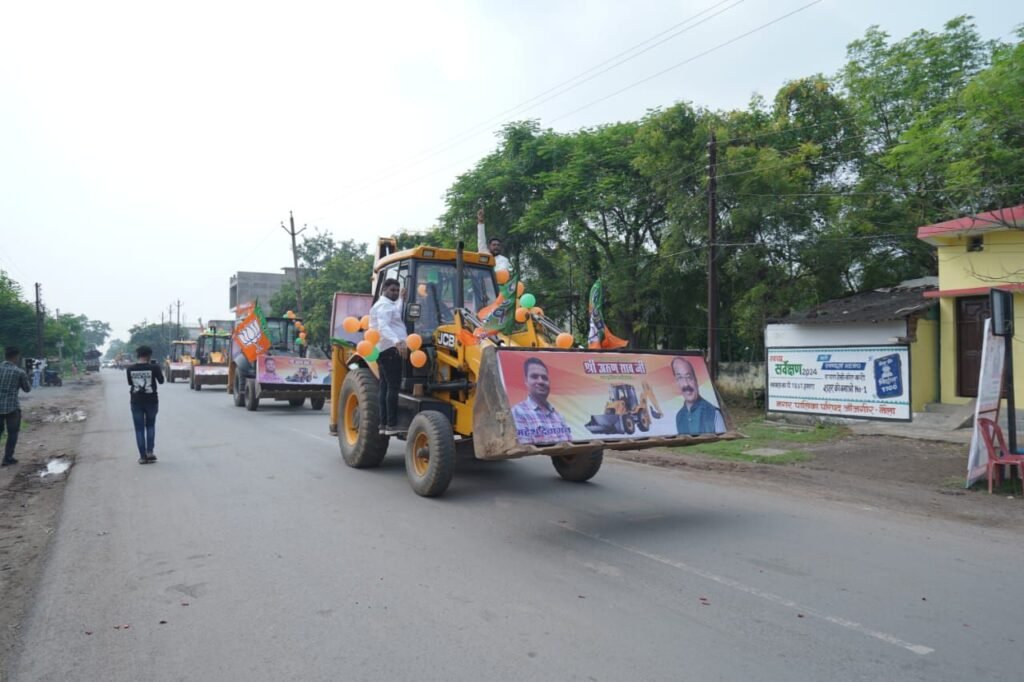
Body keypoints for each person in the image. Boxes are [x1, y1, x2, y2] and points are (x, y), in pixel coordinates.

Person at [369, 278, 407, 434]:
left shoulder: (386, 304)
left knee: (384, 387)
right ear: (384, 289)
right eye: (392, 290)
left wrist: (402, 300)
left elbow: (394, 316)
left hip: (383, 350)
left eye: (397, 290)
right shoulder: (384, 305)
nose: (395, 293)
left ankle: (383, 424)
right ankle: (391, 424)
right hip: (390, 350)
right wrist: (397, 341)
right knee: (392, 387)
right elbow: (383, 326)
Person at [511, 357, 572, 444]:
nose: (541, 381)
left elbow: (569, 444)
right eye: (534, 376)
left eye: (544, 378)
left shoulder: (558, 416)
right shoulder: (518, 412)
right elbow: (525, 447)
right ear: (526, 381)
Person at [126, 345, 165, 464]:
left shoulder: (130, 369)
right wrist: (156, 367)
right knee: (150, 426)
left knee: (139, 429)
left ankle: (142, 457)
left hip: (136, 401)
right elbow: (161, 381)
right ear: (149, 356)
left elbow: (130, 383)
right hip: (151, 401)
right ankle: (150, 452)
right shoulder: (154, 367)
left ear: (138, 355)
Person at [672, 357, 725, 435]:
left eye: (689, 377)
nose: (686, 384)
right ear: (676, 383)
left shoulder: (714, 413)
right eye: (680, 378)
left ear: (696, 380)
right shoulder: (679, 417)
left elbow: (722, 443)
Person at [0, 347, 32, 466]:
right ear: (16, 356)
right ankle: (7, 458)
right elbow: (27, 389)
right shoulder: (19, 372)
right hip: (12, 407)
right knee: (12, 433)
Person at [477, 208, 511, 273]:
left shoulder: (503, 260)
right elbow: (481, 238)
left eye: (498, 245)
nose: (496, 247)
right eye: (494, 245)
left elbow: (502, 273)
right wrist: (480, 222)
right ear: (489, 246)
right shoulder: (484, 253)